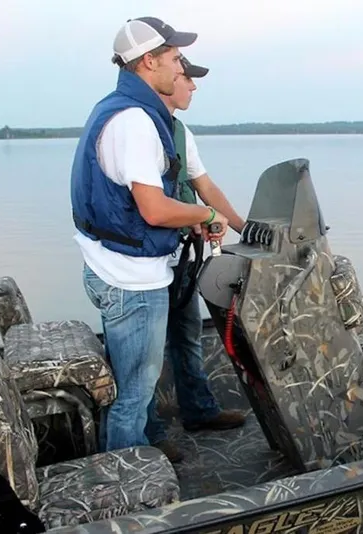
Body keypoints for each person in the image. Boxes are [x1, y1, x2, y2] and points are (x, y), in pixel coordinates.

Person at [70, 16, 229, 453]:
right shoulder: (135, 121)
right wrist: (205, 213)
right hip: (131, 279)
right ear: (148, 61)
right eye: (175, 59)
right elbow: (154, 210)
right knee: (134, 396)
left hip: (114, 266)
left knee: (133, 389)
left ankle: (143, 451)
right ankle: (129, 482)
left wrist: (208, 216)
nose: (181, 70)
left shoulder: (119, 109)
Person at [144, 54, 247, 462]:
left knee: (187, 337)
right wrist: (200, 217)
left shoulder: (180, 132)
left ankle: (199, 411)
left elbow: (205, 186)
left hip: (179, 260)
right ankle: (149, 439)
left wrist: (243, 226)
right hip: (142, 266)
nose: (193, 86)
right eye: (187, 77)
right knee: (145, 356)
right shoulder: (137, 127)